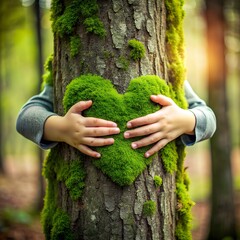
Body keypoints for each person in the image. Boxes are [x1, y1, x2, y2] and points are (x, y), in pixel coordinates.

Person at [16, 80, 216, 158]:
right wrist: (60, 128)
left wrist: (186, 120)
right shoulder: (62, 66)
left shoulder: (173, 68)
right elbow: (25, 118)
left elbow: (209, 119)